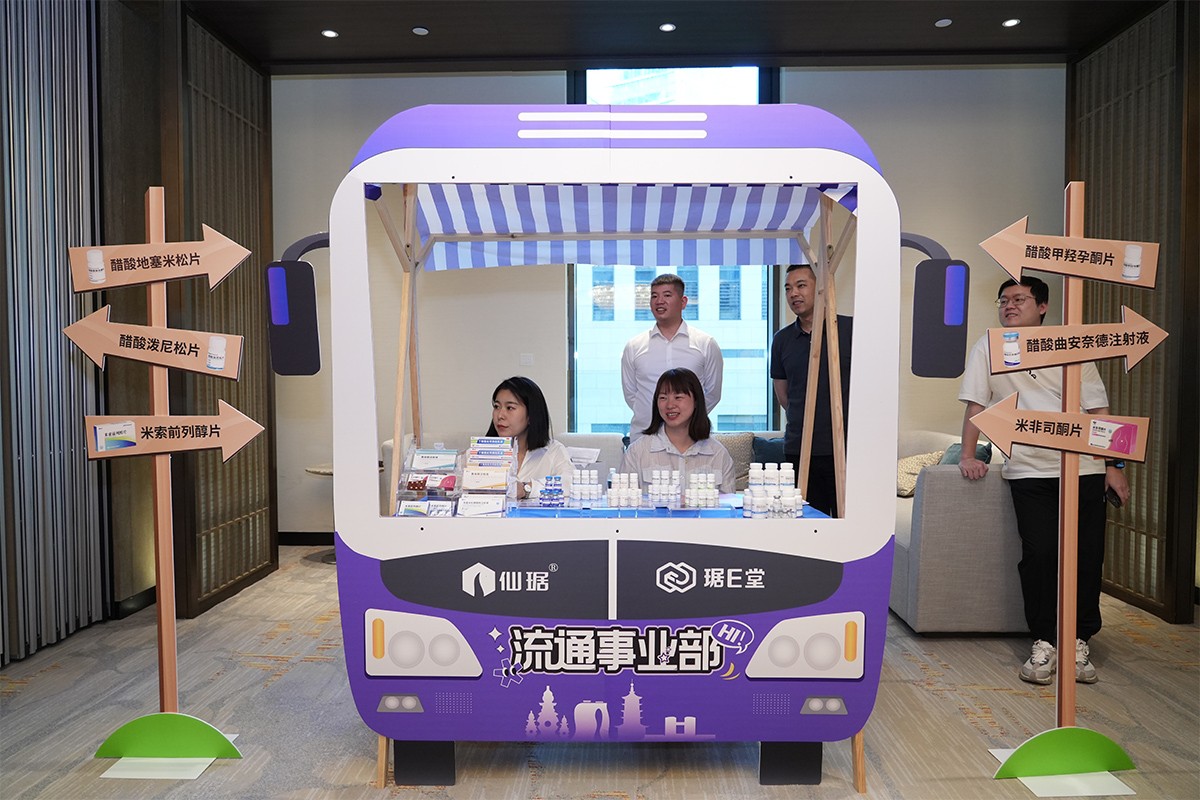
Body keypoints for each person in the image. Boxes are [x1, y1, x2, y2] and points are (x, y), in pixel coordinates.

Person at [958, 276, 1130, 685]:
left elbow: (1099, 410)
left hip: (1085, 467)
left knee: (1086, 555)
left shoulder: (1071, 346)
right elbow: (976, 405)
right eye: (1004, 300)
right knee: (1040, 555)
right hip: (1030, 469)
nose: (1009, 305)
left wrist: (1114, 465)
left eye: (1019, 299)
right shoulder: (989, 347)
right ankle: (1045, 641)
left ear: (1043, 306)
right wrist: (967, 454)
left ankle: (1079, 640)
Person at [769, 264, 852, 517]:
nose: (793, 293)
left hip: (845, 447)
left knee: (847, 520)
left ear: (820, 288)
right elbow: (783, 396)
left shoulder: (850, 330)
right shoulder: (782, 340)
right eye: (788, 288)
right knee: (808, 523)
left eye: (801, 285)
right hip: (799, 447)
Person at [621, 273, 723, 443]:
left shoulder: (706, 344)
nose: (659, 301)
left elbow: (712, 394)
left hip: (690, 438)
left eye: (667, 295)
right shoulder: (634, 346)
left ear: (683, 302)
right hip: (645, 436)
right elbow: (631, 395)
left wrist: (685, 420)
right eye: (654, 296)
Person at [619, 368, 735, 493]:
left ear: (696, 401)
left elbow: (729, 503)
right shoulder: (637, 452)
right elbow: (623, 502)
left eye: (678, 397)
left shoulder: (718, 454)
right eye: (663, 397)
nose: (670, 405)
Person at [486, 376, 573, 500]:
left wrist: (527, 489)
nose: (500, 415)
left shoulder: (553, 451)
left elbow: (570, 483)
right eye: (496, 406)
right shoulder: (479, 453)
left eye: (510, 408)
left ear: (531, 414)